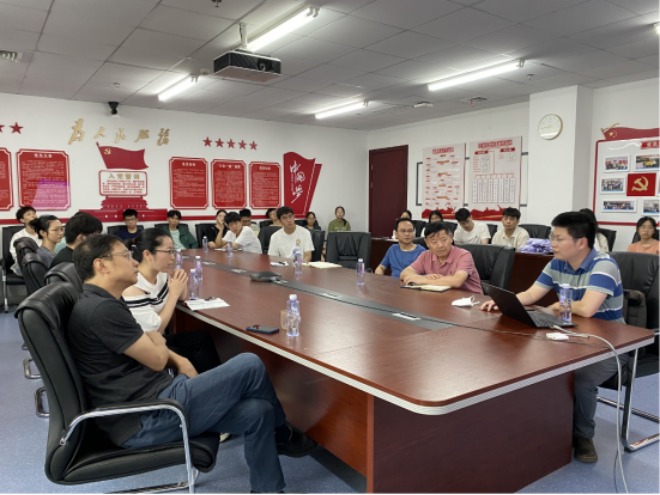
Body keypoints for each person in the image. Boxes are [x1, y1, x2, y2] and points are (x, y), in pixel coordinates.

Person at [67, 235, 316, 493]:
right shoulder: (101, 310)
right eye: (126, 256)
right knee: (250, 364)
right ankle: (282, 433)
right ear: (101, 265)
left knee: (259, 411)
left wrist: (163, 345)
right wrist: (156, 340)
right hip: (146, 416)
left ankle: (267, 488)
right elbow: (157, 357)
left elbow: (153, 340)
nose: (134, 261)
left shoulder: (105, 301)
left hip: (158, 399)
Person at [480, 212, 626, 463]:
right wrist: (504, 302)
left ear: (581, 242)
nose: (552, 243)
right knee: (526, 359)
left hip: (610, 343)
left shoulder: (604, 264)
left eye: (559, 238)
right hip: (571, 335)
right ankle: (547, 427)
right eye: (552, 237)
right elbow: (532, 293)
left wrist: (559, 305)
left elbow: (587, 309)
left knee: (581, 378)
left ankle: (583, 436)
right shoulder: (557, 263)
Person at [123, 229, 222, 374]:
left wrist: (179, 278)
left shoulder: (160, 274)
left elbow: (182, 296)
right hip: (145, 348)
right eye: (168, 251)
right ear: (147, 254)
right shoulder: (133, 287)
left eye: (173, 251)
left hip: (158, 339)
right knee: (189, 354)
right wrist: (173, 294)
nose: (173, 257)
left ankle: (215, 380)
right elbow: (155, 331)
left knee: (201, 338)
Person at [400, 222, 482, 294]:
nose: (440, 245)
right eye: (434, 242)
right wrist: (422, 277)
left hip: (471, 300)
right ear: (427, 243)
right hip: (442, 299)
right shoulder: (425, 255)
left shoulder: (464, 255)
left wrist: (422, 280)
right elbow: (404, 273)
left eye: (443, 240)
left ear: (451, 238)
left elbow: (457, 281)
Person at [9, 206, 40, 275]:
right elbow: (15, 255)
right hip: (24, 264)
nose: (33, 216)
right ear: (22, 220)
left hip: (42, 262)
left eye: (34, 213)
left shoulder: (43, 233)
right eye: (29, 214)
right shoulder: (18, 236)